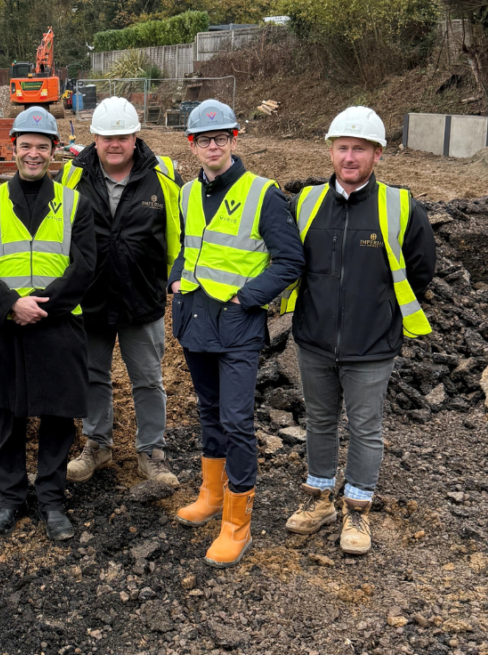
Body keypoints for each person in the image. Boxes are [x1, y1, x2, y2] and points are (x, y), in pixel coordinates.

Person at [281, 106, 435, 555]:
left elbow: (421, 269)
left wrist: (380, 309)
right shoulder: (305, 202)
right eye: (343, 148)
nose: (350, 157)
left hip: (371, 343)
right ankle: (319, 498)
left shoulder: (401, 206)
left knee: (366, 428)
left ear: (377, 154)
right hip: (314, 338)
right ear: (331, 151)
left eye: (360, 149)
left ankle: (357, 509)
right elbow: (289, 261)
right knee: (319, 421)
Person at [169, 100, 304, 568]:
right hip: (194, 318)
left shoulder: (262, 194)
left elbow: (290, 261)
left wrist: (246, 298)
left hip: (237, 324)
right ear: (192, 144)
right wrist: (175, 278)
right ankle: (211, 495)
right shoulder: (187, 193)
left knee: (236, 421)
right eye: (204, 139)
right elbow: (188, 246)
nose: (213, 146)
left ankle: (236, 523)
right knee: (208, 411)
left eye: (221, 138)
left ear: (234, 139)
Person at [0, 106, 96, 542]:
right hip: (6, 326)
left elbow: (84, 266)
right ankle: (10, 499)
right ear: (13, 148)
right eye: (25, 146)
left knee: (58, 417)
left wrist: (42, 306)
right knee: (9, 416)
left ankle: (52, 500)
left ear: (54, 151)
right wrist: (11, 305)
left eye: (42, 146)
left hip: (58, 326)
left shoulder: (75, 204)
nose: (33, 154)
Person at [60, 96, 183, 487]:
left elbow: (181, 233)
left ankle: (152, 452)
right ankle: (97, 444)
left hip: (142, 296)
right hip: (89, 297)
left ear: (136, 137)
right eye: (107, 137)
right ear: (94, 138)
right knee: (93, 376)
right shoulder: (72, 176)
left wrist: (175, 280)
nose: (115, 144)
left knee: (148, 379)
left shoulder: (163, 175)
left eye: (123, 137)